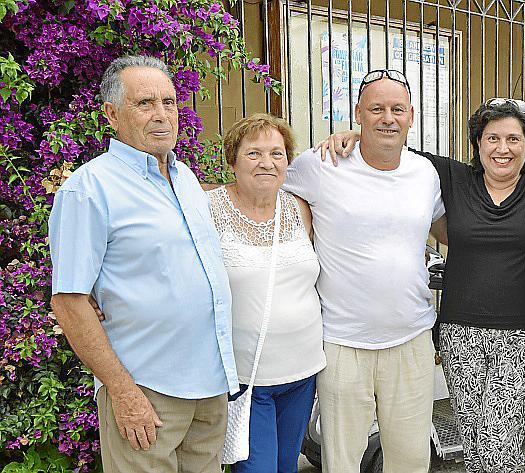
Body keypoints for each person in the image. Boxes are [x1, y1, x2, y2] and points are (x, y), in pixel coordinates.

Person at [317, 98, 525, 472]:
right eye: (492, 138)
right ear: (477, 144)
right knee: (475, 445)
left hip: (522, 336)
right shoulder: (450, 176)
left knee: (499, 448)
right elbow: (388, 147)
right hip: (460, 335)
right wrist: (353, 135)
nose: (503, 148)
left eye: (514, 139)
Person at [48, 55, 238, 472]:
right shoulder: (89, 189)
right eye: (145, 103)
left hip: (208, 388)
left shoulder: (186, 179)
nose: (161, 115)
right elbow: (69, 300)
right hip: (146, 393)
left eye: (168, 103)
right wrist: (122, 391)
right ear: (112, 114)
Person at [282, 69, 445, 472]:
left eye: (396, 109)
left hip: (411, 340)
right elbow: (261, 193)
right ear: (358, 113)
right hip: (342, 343)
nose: (387, 118)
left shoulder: (426, 173)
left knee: (410, 461)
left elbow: (450, 229)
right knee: (341, 462)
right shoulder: (320, 164)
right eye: (376, 109)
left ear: (411, 115)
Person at [207, 113, 324, 472]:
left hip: (303, 373)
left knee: (287, 466)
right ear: (233, 160)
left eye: (276, 153)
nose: (266, 163)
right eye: (254, 153)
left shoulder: (300, 209)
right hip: (247, 378)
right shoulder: (209, 209)